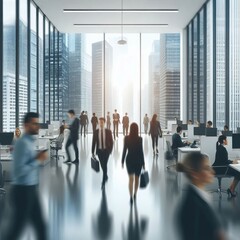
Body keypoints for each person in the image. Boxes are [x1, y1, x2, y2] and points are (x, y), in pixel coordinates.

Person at [3, 112, 48, 240]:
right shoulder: (21, 143)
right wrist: (38, 160)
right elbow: (19, 171)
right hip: (22, 191)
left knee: (40, 227)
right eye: (35, 124)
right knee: (16, 229)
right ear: (26, 125)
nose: (38, 126)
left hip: (31, 189)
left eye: (38, 123)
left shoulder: (30, 141)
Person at [176, 152, 226, 240]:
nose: (212, 171)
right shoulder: (192, 206)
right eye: (207, 168)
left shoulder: (200, 196)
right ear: (194, 174)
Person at [122, 123, 145, 205]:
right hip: (138, 161)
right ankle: (135, 194)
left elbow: (124, 150)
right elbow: (141, 152)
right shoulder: (140, 139)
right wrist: (143, 163)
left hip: (129, 160)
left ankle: (131, 196)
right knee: (137, 179)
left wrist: (122, 160)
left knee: (130, 179)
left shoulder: (126, 138)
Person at [92, 117, 113, 190]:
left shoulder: (108, 131)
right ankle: (106, 175)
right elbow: (93, 142)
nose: (101, 123)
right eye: (100, 122)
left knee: (105, 164)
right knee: (102, 165)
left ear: (104, 123)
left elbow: (111, 142)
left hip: (106, 151)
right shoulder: (96, 132)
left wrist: (110, 151)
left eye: (102, 122)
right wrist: (92, 152)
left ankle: (103, 181)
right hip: (99, 151)